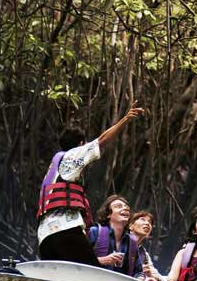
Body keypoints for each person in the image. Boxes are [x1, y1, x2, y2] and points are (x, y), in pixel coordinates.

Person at [36, 103, 144, 264]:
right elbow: (101, 141)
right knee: (90, 270)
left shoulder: (53, 170)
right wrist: (125, 119)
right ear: (81, 144)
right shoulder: (72, 156)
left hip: (44, 236)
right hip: (65, 229)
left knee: (66, 273)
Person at [88, 195, 142, 277]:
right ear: (108, 214)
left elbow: (138, 272)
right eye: (118, 206)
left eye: (127, 207)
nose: (125, 208)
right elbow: (75, 259)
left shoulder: (131, 242)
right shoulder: (94, 232)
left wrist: (140, 278)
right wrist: (100, 260)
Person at [127, 210, 163, 281]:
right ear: (131, 226)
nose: (147, 223)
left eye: (150, 222)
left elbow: (160, 279)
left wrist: (151, 276)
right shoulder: (120, 243)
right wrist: (136, 271)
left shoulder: (144, 253)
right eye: (142, 219)